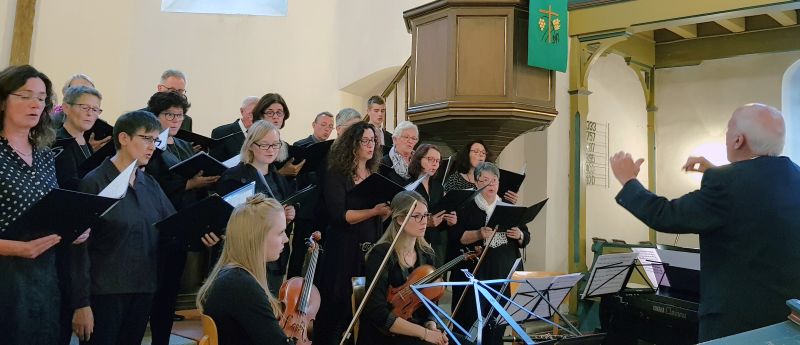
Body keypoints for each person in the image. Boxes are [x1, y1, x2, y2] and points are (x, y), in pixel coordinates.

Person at [608, 103, 800, 341]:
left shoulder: (724, 184)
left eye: (729, 129)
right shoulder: (795, 176)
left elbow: (665, 215)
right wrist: (720, 172)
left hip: (736, 325)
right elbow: (756, 198)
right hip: (788, 324)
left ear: (738, 140)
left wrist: (628, 181)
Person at [72, 111, 177, 345]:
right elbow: (78, 248)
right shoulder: (94, 182)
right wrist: (81, 303)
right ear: (124, 138)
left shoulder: (149, 183)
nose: (153, 147)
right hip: (103, 293)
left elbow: (171, 228)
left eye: (156, 140)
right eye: (147, 139)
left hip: (143, 288)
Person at [0, 64, 76, 345]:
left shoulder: (45, 155)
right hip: (6, 274)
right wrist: (16, 248)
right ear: (3, 99)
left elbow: (51, 212)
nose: (35, 104)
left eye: (42, 98)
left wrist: (73, 229)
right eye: (25, 96)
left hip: (44, 274)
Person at [143, 91, 220, 345]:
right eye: (169, 115)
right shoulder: (150, 146)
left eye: (179, 115)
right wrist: (189, 183)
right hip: (155, 232)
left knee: (169, 294)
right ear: (155, 116)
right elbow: (150, 187)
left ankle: (161, 341)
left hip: (181, 230)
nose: (175, 120)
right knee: (151, 295)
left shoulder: (185, 145)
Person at [314, 121, 392, 345]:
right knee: (338, 304)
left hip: (368, 247)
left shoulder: (373, 173)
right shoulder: (337, 173)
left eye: (373, 141)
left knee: (360, 304)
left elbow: (378, 216)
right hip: (343, 249)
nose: (371, 145)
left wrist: (384, 213)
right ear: (352, 143)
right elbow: (339, 215)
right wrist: (373, 211)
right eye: (365, 141)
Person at [447, 162, 530, 345]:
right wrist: (478, 234)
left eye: (494, 181)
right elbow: (455, 236)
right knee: (469, 325)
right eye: (485, 180)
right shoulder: (465, 205)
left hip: (503, 276)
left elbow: (526, 236)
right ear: (476, 182)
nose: (491, 185)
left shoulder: (508, 206)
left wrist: (520, 235)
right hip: (474, 277)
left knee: (496, 328)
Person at [197, 194, 296, 344]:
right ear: (257, 237)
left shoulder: (232, 277)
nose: (286, 239)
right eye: (280, 232)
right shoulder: (241, 285)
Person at [358, 191, 449, 345]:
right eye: (417, 216)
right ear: (400, 219)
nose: (424, 221)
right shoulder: (381, 254)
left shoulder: (427, 255)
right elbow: (377, 313)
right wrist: (424, 334)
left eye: (426, 215)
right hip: (384, 335)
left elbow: (431, 304)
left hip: (417, 330)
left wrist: (432, 327)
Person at [217, 120, 296, 295]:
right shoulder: (233, 177)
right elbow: (226, 220)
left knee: (272, 304)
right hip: (247, 256)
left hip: (275, 257)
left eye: (275, 145)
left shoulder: (280, 178)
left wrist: (288, 216)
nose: (271, 150)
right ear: (251, 145)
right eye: (265, 145)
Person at [286, 111, 334, 278]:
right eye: (323, 125)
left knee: (320, 253)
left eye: (330, 127)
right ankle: (291, 287)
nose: (327, 129)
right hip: (305, 209)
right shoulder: (301, 145)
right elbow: (295, 179)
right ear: (314, 125)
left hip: (324, 210)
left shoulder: (332, 150)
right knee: (299, 252)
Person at [408, 144, 457, 268]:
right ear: (419, 159)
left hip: (436, 243)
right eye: (430, 159)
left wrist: (449, 221)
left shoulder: (438, 187)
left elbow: (441, 215)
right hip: (415, 243)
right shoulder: (409, 186)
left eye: (437, 161)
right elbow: (403, 218)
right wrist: (427, 222)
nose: (435, 164)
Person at [54, 85, 103, 190]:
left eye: (95, 109)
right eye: (84, 107)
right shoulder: (59, 142)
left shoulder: (85, 141)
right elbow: (68, 185)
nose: (89, 114)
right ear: (66, 108)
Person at [444, 140, 519, 204]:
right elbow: (446, 203)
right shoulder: (455, 179)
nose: (481, 155)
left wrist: (510, 201)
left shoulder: (493, 181)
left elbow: (499, 204)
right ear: (467, 155)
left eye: (483, 153)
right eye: (476, 152)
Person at [51, 74, 111, 150]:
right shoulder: (50, 122)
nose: (89, 113)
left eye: (88, 91)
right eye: (76, 90)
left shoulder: (99, 126)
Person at [251, 93, 304, 178]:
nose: (275, 117)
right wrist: (280, 173)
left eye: (279, 112)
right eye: (270, 112)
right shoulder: (253, 144)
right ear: (261, 116)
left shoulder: (286, 147)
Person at [210, 96, 258, 161]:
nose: (254, 118)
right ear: (242, 111)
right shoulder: (221, 133)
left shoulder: (265, 133)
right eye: (250, 114)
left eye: (258, 114)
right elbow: (215, 164)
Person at [381, 120, 419, 185]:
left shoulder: (420, 161)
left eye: (413, 138)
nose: (410, 141)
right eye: (406, 137)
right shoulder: (384, 163)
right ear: (395, 139)